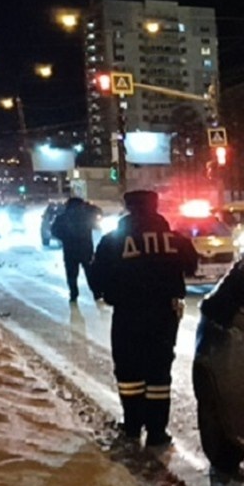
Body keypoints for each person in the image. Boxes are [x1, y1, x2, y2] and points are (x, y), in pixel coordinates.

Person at [89, 190, 198, 447]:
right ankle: (157, 431)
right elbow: (192, 264)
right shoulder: (173, 239)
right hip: (164, 314)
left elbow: (96, 276)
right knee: (159, 371)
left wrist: (106, 293)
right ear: (155, 206)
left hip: (129, 313)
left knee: (129, 370)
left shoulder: (114, 240)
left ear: (128, 207)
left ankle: (132, 425)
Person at [50, 195, 102, 303]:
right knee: (91, 273)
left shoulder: (62, 217)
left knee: (71, 274)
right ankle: (97, 293)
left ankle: (73, 294)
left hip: (70, 250)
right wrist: (90, 206)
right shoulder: (86, 215)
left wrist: (64, 238)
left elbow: (54, 231)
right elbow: (98, 214)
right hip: (85, 249)